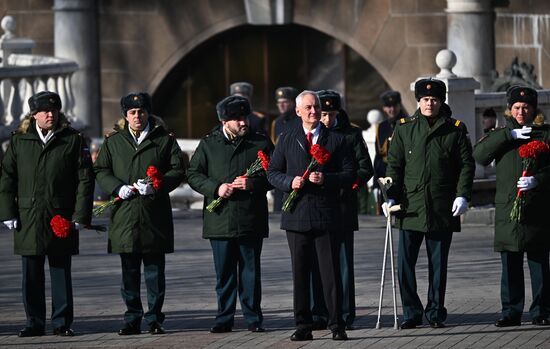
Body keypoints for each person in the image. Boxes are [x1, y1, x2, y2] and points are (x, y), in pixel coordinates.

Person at [0, 91, 94, 337]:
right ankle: (34, 322)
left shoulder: (72, 140)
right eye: (44, 111)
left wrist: (80, 215)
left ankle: (62, 322)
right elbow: (7, 178)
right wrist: (7, 212)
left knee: (61, 271)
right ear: (34, 115)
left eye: (54, 110)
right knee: (31, 273)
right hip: (28, 216)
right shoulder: (20, 141)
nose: (50, 114)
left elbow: (85, 180)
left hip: (60, 215)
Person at [384, 78, 475, 329]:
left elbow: (466, 165)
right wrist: (389, 194)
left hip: (441, 205)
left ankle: (435, 312)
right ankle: (411, 313)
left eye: (434, 99)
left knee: (438, 266)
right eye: (425, 100)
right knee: (405, 265)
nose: (429, 104)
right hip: (410, 206)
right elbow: (395, 165)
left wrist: (462, 195)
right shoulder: (404, 128)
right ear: (418, 101)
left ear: (441, 101)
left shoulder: (455, 129)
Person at [94, 92, 186, 336]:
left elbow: (178, 169)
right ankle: (132, 317)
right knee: (129, 272)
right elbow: (100, 169)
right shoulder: (113, 142)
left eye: (142, 111)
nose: (138, 116)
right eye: (133, 112)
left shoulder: (164, 140)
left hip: (153, 215)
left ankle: (155, 318)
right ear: (125, 115)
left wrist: (157, 184)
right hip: (125, 215)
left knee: (155, 272)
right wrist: (116, 186)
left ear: (149, 113)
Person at [267, 90, 355, 341]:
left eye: (316, 107)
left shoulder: (336, 139)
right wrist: (288, 182)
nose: (314, 111)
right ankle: (303, 326)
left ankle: (336, 325)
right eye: (308, 107)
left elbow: (350, 174)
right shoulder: (286, 138)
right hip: (296, 216)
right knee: (300, 274)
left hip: (326, 215)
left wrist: (327, 178)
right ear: (298, 112)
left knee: (330, 274)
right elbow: (272, 172)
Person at [187, 95, 274, 333]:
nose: (244, 122)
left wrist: (253, 184)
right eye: (237, 119)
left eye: (245, 117)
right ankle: (224, 317)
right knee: (224, 274)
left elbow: (276, 174)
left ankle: (253, 318)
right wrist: (216, 188)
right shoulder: (209, 144)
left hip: (250, 219)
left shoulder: (260, 143)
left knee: (250, 273)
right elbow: (193, 174)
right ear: (225, 121)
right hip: (220, 220)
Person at [473, 86, 550, 327]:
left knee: (539, 264)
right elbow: (479, 155)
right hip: (509, 209)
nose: (521, 111)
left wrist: (538, 180)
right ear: (509, 109)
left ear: (533, 109)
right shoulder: (502, 135)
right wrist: (508, 136)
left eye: (526, 107)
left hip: (537, 208)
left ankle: (541, 310)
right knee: (510, 264)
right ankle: (511, 311)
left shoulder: (544, 135)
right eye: (516, 107)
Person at [309, 89, 374, 330]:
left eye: (330, 114)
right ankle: (319, 313)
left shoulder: (351, 134)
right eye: (322, 113)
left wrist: (352, 183)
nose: (325, 119)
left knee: (343, 264)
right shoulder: (312, 133)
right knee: (317, 261)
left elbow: (364, 167)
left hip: (342, 205)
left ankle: (345, 314)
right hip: (316, 207)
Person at [373, 90, 407, 213]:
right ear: (384, 108)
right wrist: (376, 183)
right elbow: (378, 156)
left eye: (394, 106)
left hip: (402, 173)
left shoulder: (407, 123)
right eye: (388, 106)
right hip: (385, 174)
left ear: (399, 105)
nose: (392, 109)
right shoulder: (382, 127)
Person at [270, 86, 299, 211]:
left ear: (293, 103)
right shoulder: (276, 123)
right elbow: (273, 147)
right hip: (280, 172)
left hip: (296, 171)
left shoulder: (301, 121)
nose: (281, 105)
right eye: (279, 103)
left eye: (285, 102)